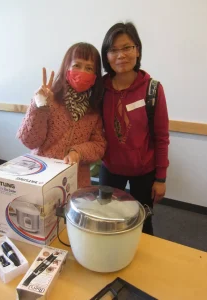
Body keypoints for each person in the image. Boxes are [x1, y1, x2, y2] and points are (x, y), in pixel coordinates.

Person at [99, 22, 169, 235]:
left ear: (137, 50)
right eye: (113, 50)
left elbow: (161, 137)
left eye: (127, 47)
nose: (121, 55)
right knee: (107, 220)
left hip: (144, 171)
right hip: (110, 169)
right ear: (106, 56)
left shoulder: (152, 89)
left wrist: (161, 178)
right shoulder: (100, 88)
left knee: (143, 224)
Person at [17, 42, 106, 188]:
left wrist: (78, 152)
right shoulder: (48, 97)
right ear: (66, 67)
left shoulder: (94, 109)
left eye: (89, 68)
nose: (82, 71)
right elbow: (29, 141)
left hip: (76, 182)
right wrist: (39, 106)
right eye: (77, 65)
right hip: (41, 178)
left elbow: (99, 145)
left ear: (95, 76)